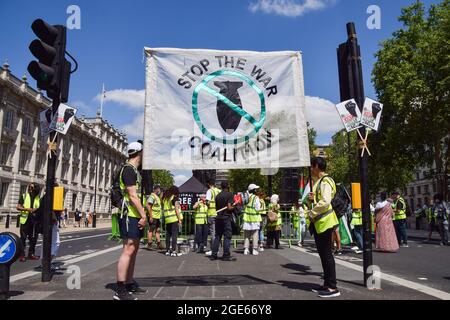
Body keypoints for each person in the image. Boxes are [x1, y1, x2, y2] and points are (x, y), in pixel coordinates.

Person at [114, 141, 148, 300]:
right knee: (128, 249)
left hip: (133, 215)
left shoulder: (133, 170)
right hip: (130, 215)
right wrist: (143, 215)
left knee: (133, 250)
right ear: (139, 153)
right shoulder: (128, 169)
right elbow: (133, 195)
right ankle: (120, 289)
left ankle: (128, 283)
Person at [307, 157, 340, 298]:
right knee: (323, 254)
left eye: (311, 166)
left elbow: (326, 202)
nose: (310, 169)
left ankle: (333, 287)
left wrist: (311, 212)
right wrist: (312, 199)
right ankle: (327, 284)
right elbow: (321, 200)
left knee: (326, 254)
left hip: (325, 221)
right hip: (320, 223)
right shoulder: (320, 182)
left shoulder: (326, 181)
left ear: (316, 166)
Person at [211, 181, 236, 261]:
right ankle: (226, 255)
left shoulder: (217, 196)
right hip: (226, 218)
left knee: (217, 236)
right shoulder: (230, 194)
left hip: (218, 218)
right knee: (227, 236)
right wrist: (234, 207)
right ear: (228, 186)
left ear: (221, 187)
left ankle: (214, 254)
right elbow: (229, 207)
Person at [16, 183, 41, 262]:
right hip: (25, 220)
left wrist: (36, 210)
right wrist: (27, 209)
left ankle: (31, 254)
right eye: (29, 187)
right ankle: (22, 255)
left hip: (34, 221)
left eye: (31, 187)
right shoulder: (24, 196)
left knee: (33, 239)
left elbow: (39, 208)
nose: (29, 188)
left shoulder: (38, 198)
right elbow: (18, 207)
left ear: (36, 189)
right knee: (23, 238)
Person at [162, 186, 183, 257]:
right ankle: (174, 251)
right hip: (174, 219)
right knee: (174, 235)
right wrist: (179, 219)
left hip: (167, 219)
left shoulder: (165, 198)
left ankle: (167, 250)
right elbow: (176, 210)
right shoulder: (174, 198)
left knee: (168, 235)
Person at [242, 184, 262, 255]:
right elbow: (257, 208)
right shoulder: (255, 197)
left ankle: (246, 249)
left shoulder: (245, 197)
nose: (256, 190)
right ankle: (254, 249)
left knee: (246, 235)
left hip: (247, 218)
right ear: (253, 190)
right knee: (255, 234)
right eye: (256, 189)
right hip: (254, 219)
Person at [205, 180, 221, 255]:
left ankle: (214, 250)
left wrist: (207, 204)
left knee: (213, 233)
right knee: (218, 233)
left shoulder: (209, 191)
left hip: (212, 213)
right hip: (219, 214)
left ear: (209, 184)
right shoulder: (219, 191)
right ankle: (217, 249)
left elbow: (207, 202)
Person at [146, 184, 163, 250]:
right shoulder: (152, 196)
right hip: (153, 216)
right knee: (151, 230)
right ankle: (149, 244)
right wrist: (151, 216)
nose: (159, 190)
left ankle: (159, 244)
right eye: (159, 189)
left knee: (158, 230)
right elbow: (148, 206)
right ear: (156, 189)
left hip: (157, 217)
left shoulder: (157, 197)